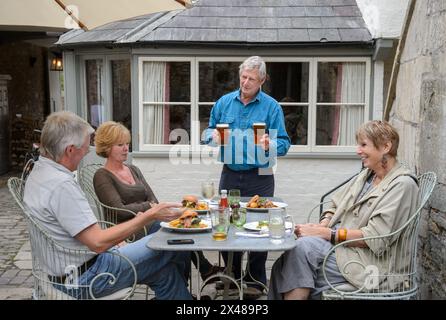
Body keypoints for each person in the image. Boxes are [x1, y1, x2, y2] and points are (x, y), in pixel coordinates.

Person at [23, 111, 192, 300]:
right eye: (85, 149)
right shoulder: (62, 185)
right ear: (70, 150)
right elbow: (98, 242)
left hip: (68, 270)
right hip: (88, 277)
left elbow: (83, 232)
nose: (87, 153)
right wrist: (150, 215)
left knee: (166, 273)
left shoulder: (39, 172)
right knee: (176, 240)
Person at [268, 120, 419, 300]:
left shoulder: (402, 185)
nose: (358, 151)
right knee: (284, 262)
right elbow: (336, 204)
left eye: (364, 145)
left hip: (371, 263)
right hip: (344, 249)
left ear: (386, 146)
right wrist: (321, 226)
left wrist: (325, 233)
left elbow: (376, 238)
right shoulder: (367, 176)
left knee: (301, 250)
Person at [93, 121, 223, 282]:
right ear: (107, 147)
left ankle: (190, 279)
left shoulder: (133, 169)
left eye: (127, 143)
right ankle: (201, 271)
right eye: (120, 145)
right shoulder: (102, 175)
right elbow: (119, 209)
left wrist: (148, 210)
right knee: (176, 229)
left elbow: (153, 199)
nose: (126, 148)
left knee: (182, 222)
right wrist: (148, 209)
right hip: (128, 230)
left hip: (148, 220)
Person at [206, 56, 291, 299]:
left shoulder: (272, 107)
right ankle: (230, 277)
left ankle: (254, 281)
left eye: (251, 79)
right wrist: (212, 137)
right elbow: (209, 129)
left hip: (261, 175)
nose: (245, 82)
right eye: (243, 77)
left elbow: (284, 143)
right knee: (228, 222)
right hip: (230, 173)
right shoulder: (224, 103)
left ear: (262, 80)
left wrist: (269, 144)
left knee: (260, 228)